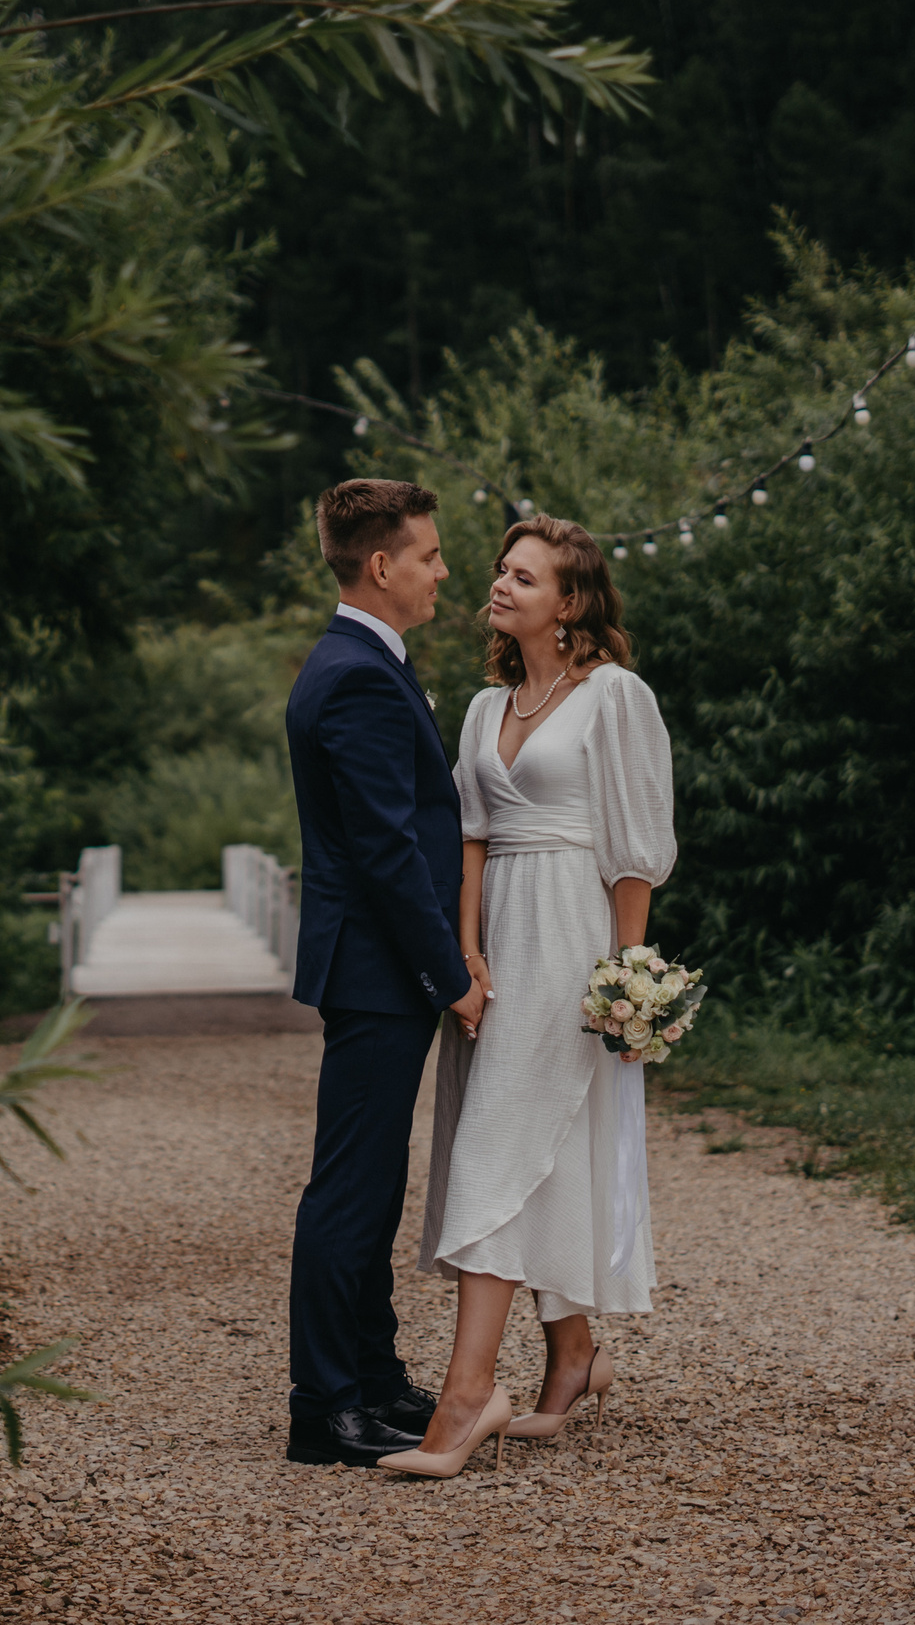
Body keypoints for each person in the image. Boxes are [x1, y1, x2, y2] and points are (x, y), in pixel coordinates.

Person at [384, 515, 677, 1480]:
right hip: (501, 940)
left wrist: (627, 981)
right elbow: (469, 839)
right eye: (502, 571)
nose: (500, 585)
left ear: (573, 601)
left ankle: (468, 1395)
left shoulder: (615, 697)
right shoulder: (482, 706)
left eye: (525, 575)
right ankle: (571, 1353)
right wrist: (465, 957)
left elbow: (634, 850)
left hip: (572, 936)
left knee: (500, 1140)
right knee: (522, 1139)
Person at [282, 478, 491, 1467]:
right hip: (375, 968)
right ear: (382, 565)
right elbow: (385, 851)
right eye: (432, 554)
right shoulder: (358, 673)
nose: (444, 570)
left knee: (372, 1184)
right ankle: (324, 1407)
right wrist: (449, 974)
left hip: (370, 969)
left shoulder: (362, 662)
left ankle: (370, 1377)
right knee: (351, 1191)